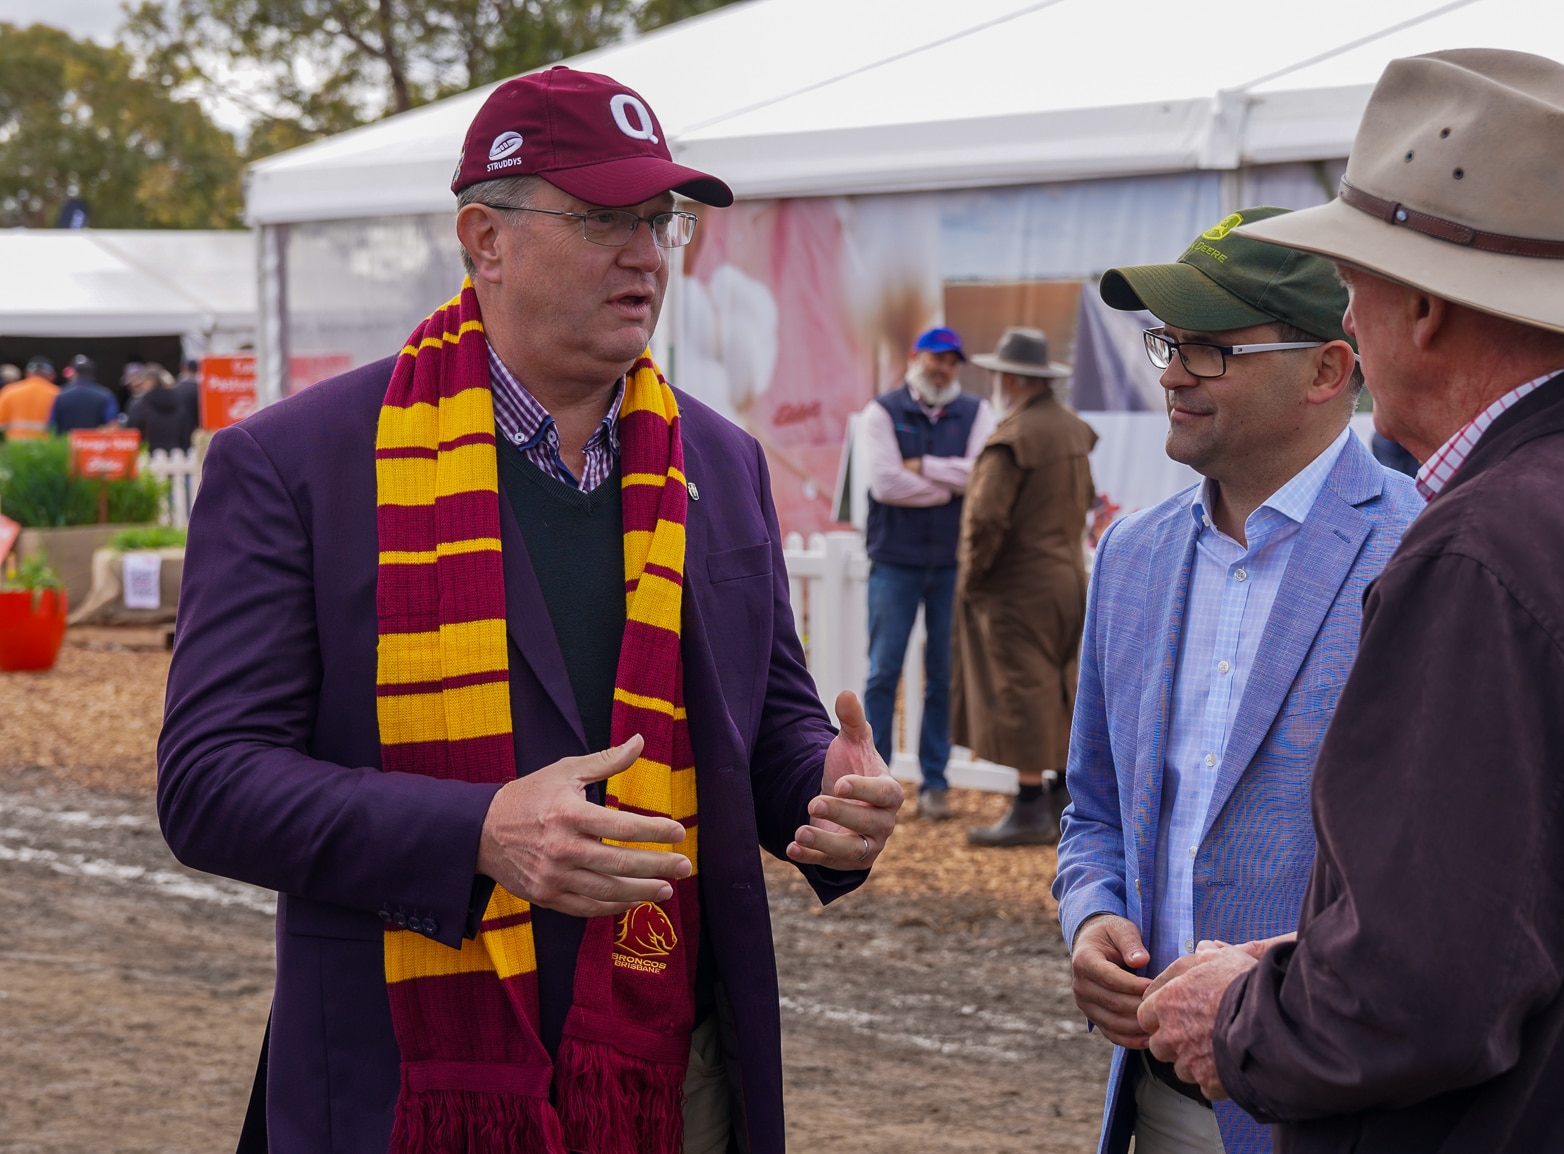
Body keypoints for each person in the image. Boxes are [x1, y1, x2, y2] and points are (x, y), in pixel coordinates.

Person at [159, 66, 904, 1154]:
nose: (645, 252)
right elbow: (210, 781)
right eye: (604, 217)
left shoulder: (721, 460)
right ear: (484, 237)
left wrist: (825, 795)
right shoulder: (297, 462)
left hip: (666, 1068)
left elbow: (767, 721)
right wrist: (475, 834)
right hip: (409, 1073)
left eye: (661, 219)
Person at [1133, 49, 1564, 1150]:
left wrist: (1235, 1014)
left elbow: (1413, 996)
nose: (1347, 322)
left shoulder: (1482, 553)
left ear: (1421, 305)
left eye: (1354, 282)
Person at [1055, 206, 1424, 1154]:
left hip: (1340, 1113)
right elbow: (1094, 808)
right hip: (1157, 1099)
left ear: (1329, 370)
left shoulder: (1426, 550)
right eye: (1171, 342)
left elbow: (1449, 867)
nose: (1174, 370)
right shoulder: (1131, 556)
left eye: (1214, 347)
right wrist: (1093, 914)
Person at [951, 326, 1096, 847]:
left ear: (1011, 379)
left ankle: (1031, 803)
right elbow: (1085, 501)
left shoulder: (1011, 439)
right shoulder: (1073, 432)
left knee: (1024, 687)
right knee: (1063, 683)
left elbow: (984, 522)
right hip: (1067, 576)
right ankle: (1059, 790)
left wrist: (973, 578)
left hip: (1018, 586)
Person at [858, 325, 993, 822]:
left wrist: (923, 467)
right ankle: (876, 781)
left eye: (952, 361)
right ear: (916, 358)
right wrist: (950, 482)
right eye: (937, 358)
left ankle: (935, 782)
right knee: (883, 673)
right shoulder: (881, 411)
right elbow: (886, 484)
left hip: (951, 563)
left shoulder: (976, 411)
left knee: (943, 675)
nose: (944, 369)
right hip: (895, 560)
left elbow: (981, 476)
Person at [127, 364, 199, 453]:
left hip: (147, 456)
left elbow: (132, 431)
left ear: (148, 382)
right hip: (175, 454)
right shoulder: (178, 401)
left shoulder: (139, 404)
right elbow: (185, 428)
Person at [48, 355, 118, 433]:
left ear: (73, 373)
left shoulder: (60, 395)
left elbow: (51, 426)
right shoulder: (106, 395)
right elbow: (112, 426)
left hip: (66, 443)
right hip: (94, 444)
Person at [0, 357, 57, 441]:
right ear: (52, 376)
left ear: (27, 373)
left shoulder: (9, 391)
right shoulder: (57, 394)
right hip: (44, 448)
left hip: (15, 447)